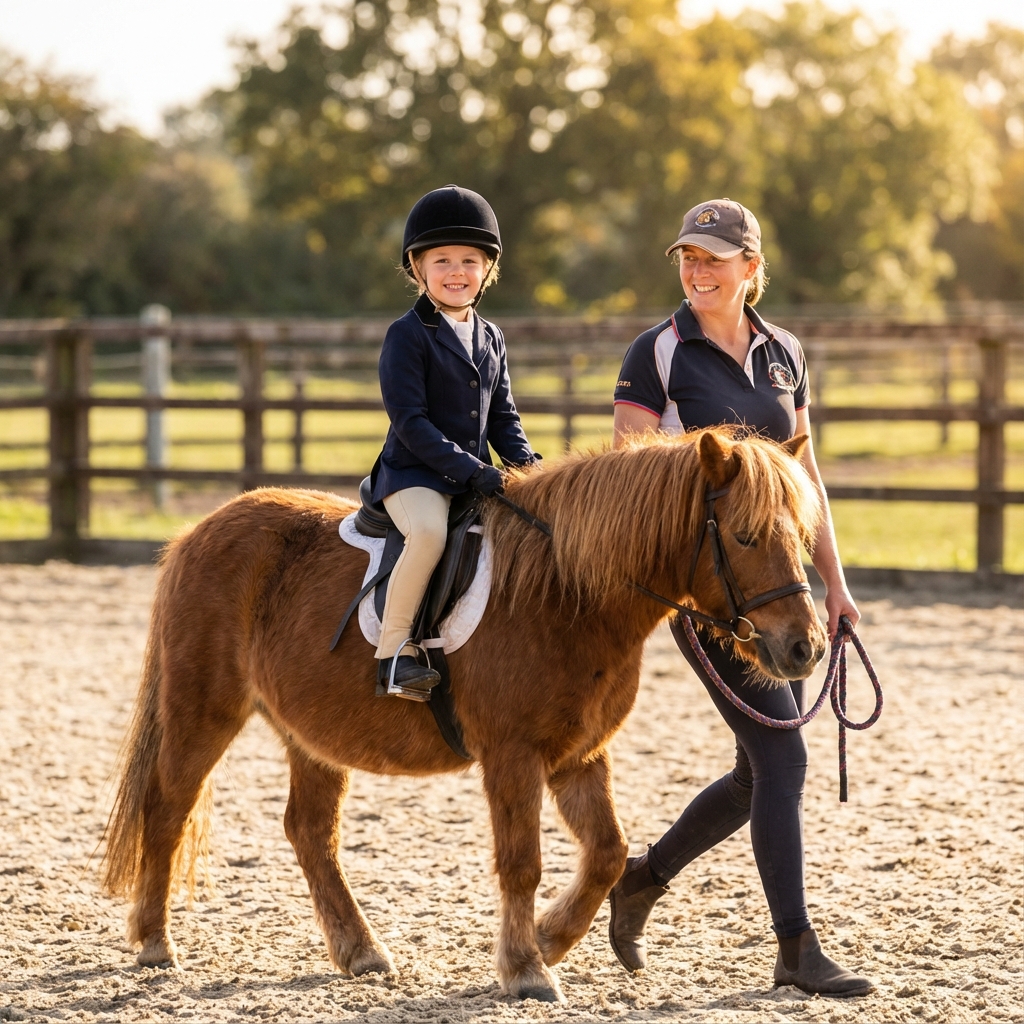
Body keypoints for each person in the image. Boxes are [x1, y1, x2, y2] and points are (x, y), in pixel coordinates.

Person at [608, 199, 873, 996]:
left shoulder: (784, 353)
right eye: (688, 256)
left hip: (781, 587)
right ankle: (796, 949)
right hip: (713, 594)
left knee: (758, 773)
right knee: (783, 758)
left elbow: (805, 478)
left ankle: (642, 878)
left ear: (751, 270)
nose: (697, 271)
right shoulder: (656, 352)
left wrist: (836, 583)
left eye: (715, 259)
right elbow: (631, 472)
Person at [370, 184, 540, 696]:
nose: (456, 272)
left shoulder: (491, 337)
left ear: (487, 269)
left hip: (476, 474)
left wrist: (530, 469)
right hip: (414, 474)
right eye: (441, 260)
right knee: (429, 535)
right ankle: (395, 652)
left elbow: (503, 416)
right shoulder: (408, 334)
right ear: (418, 269)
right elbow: (410, 421)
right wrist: (475, 471)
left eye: (469, 260)